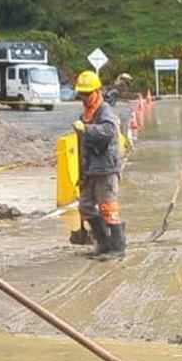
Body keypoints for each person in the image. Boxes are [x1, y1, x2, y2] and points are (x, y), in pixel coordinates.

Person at [73, 70, 125, 259]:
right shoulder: (85, 114)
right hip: (90, 168)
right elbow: (83, 146)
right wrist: (82, 171)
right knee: (85, 206)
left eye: (87, 94)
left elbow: (109, 131)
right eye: (82, 94)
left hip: (106, 167)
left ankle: (118, 247)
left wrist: (87, 129)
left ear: (97, 92)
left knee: (108, 207)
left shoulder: (105, 111)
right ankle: (103, 242)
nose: (84, 98)